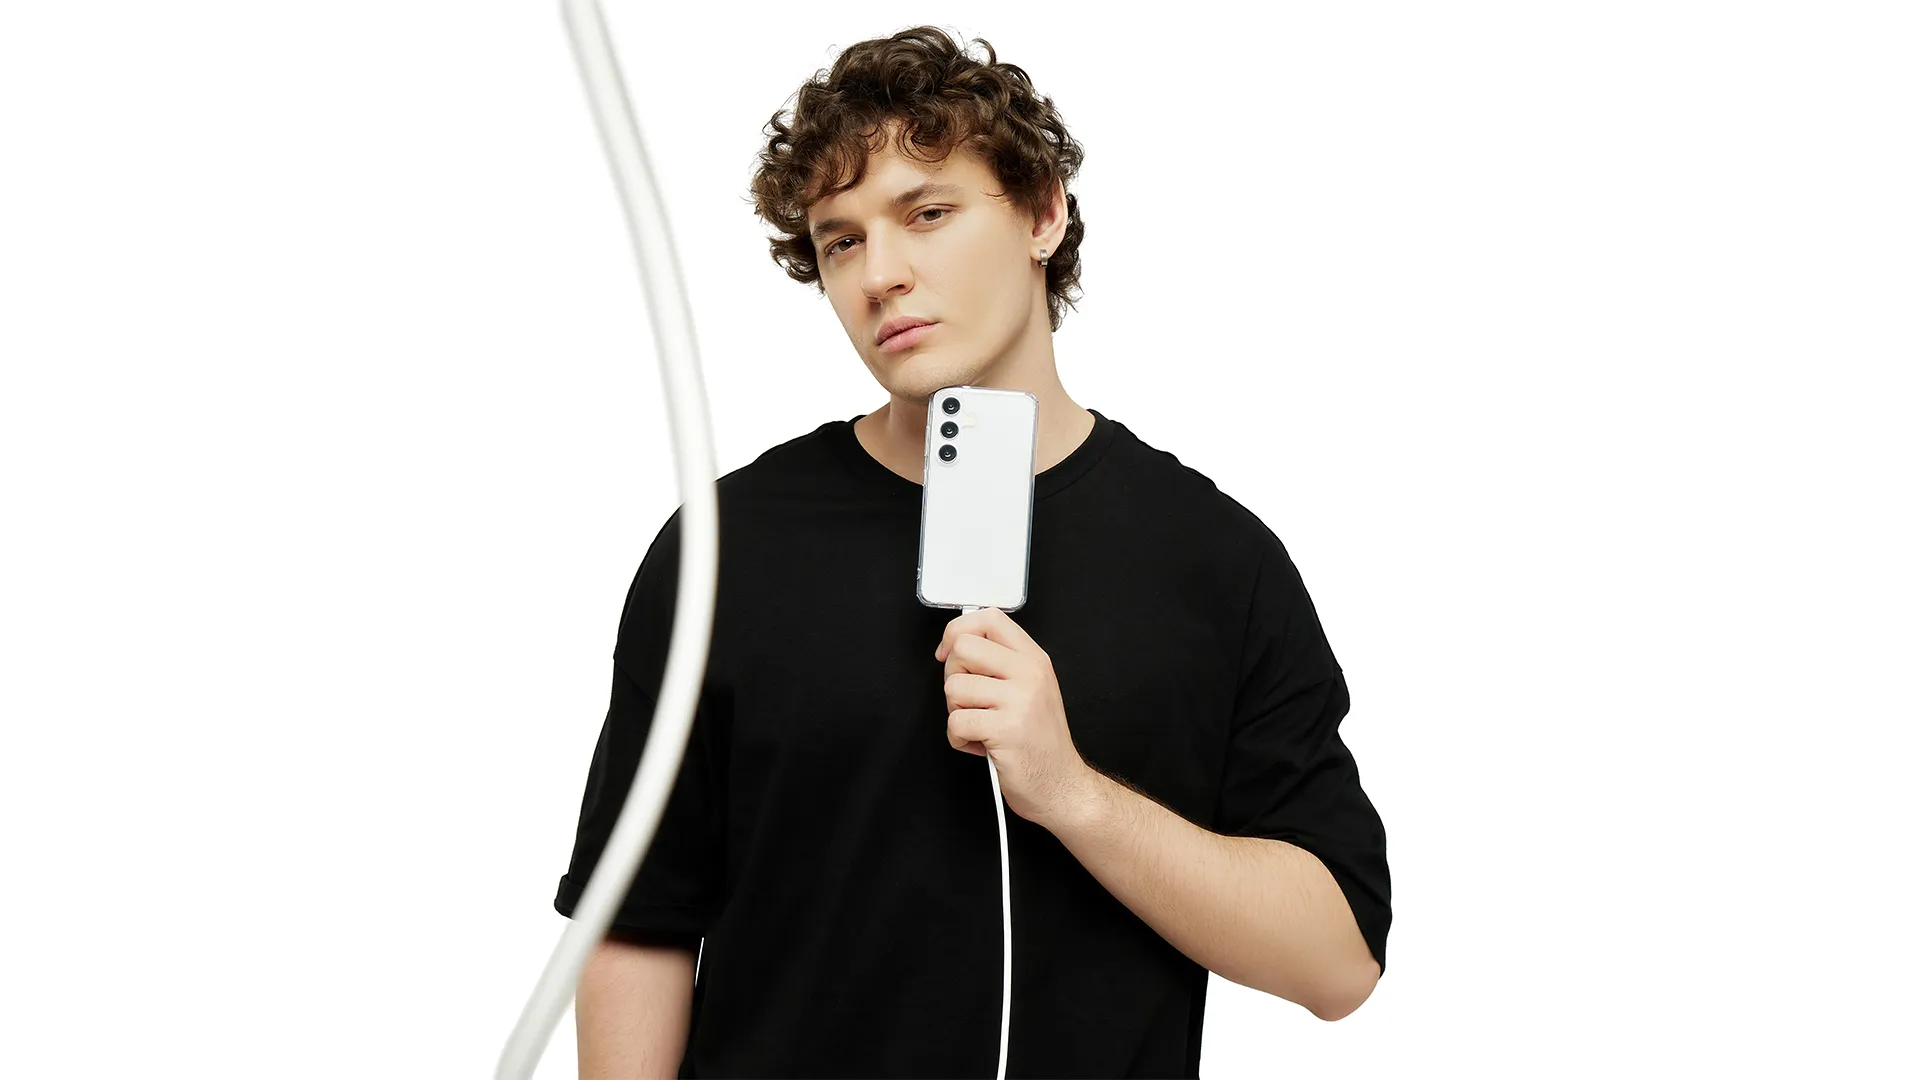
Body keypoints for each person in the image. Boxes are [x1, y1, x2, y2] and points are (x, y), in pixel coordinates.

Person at [554, 26, 1390, 1079]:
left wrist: (1071, 792)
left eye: (928, 214)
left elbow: (1338, 963)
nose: (880, 275)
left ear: (1043, 213)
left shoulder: (1216, 560)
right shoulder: (724, 551)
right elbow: (638, 923)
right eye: (839, 241)